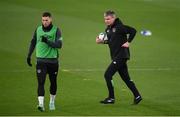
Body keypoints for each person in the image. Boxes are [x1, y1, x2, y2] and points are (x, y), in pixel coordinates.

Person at [96, 10, 142, 105]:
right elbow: (111, 41)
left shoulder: (120, 27)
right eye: (105, 19)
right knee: (126, 78)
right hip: (116, 56)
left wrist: (128, 42)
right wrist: (102, 42)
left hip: (121, 56)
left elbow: (133, 31)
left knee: (107, 75)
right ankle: (137, 96)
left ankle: (111, 98)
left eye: (108, 19)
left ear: (113, 18)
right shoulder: (108, 29)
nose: (106, 21)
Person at [27, 12, 62, 111]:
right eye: (43, 20)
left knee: (53, 82)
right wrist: (29, 55)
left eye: (46, 20)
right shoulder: (38, 29)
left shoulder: (56, 30)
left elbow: (59, 45)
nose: (45, 22)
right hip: (41, 61)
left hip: (53, 61)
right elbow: (33, 42)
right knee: (41, 82)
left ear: (51, 20)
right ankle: (41, 104)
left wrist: (47, 41)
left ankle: (52, 102)